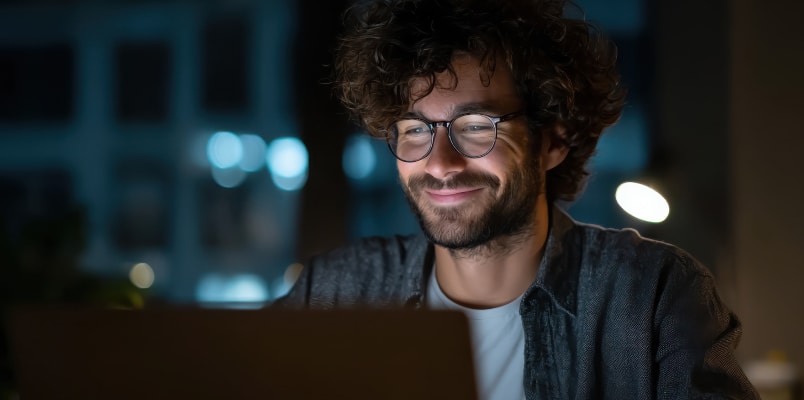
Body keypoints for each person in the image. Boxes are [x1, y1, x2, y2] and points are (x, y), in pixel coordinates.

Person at [276, 0, 759, 398]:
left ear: (553, 141)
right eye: (415, 130)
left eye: (476, 127)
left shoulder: (652, 295)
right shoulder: (333, 292)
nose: (440, 164)